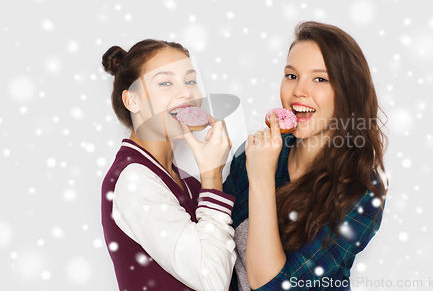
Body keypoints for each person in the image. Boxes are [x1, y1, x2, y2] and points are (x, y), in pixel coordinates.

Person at [224, 21, 389, 291]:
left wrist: (262, 179)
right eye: (291, 75)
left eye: (320, 79)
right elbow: (212, 243)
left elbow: (273, 287)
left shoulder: (362, 192)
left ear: (347, 93)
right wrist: (209, 166)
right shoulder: (255, 152)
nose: (298, 90)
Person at [100, 39, 236, 291]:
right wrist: (212, 175)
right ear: (132, 101)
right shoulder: (134, 180)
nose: (186, 93)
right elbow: (213, 282)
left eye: (190, 81)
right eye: (165, 82)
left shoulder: (189, 183)